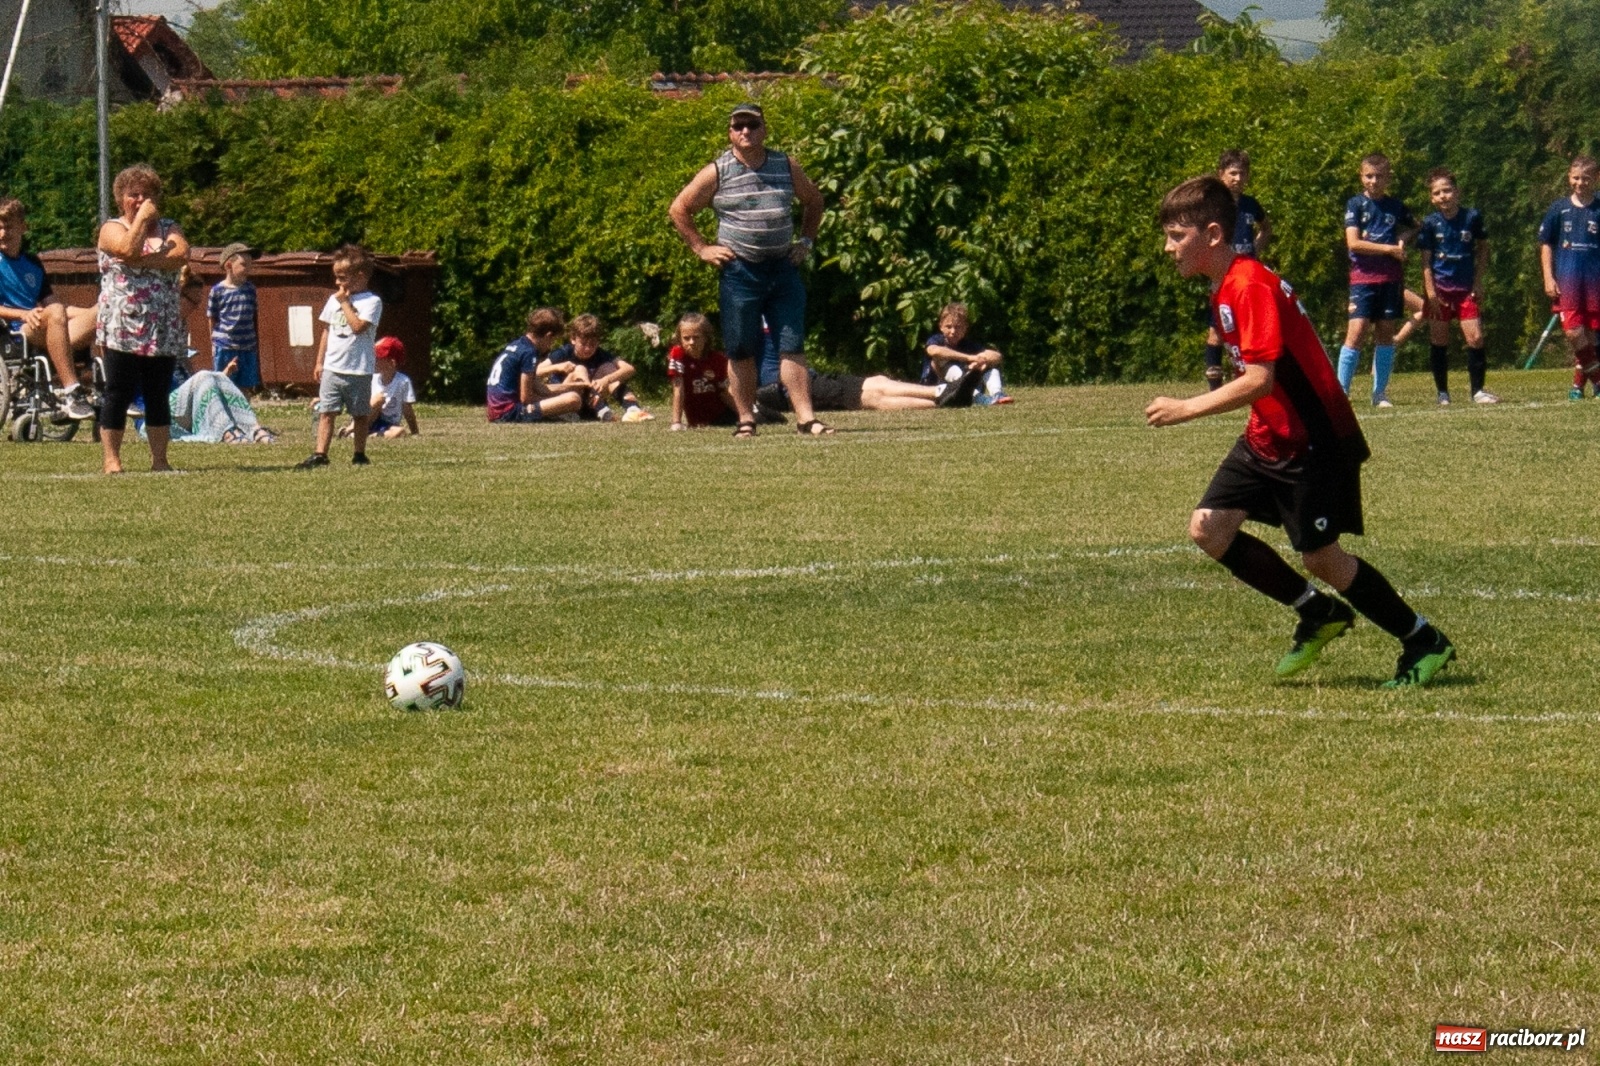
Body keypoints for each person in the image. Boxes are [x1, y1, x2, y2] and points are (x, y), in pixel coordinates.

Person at [1146, 176, 1456, 688]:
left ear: (1214, 234)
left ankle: (1423, 639)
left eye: (1178, 235)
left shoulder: (1248, 285)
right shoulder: (1225, 286)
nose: (1168, 247)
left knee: (1322, 558)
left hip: (1313, 440)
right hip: (1268, 435)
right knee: (1209, 528)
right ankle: (1318, 613)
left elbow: (1259, 379)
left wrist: (1186, 408)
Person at [669, 101, 832, 437]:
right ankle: (746, 419)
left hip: (783, 267)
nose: (746, 131)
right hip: (741, 272)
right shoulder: (718, 170)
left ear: (764, 129)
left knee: (792, 344)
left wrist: (806, 242)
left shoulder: (786, 165)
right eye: (739, 126)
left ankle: (807, 419)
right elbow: (680, 208)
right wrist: (701, 247)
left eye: (752, 125)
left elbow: (814, 201)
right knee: (741, 348)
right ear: (730, 131)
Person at [96, 164, 190, 474]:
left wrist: (140, 259)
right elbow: (123, 247)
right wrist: (142, 222)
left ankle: (160, 460)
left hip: (160, 325)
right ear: (120, 198)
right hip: (121, 325)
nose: (140, 199)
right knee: (118, 392)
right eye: (133, 194)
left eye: (147, 195)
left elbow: (180, 255)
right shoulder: (111, 227)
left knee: (157, 393)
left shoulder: (169, 227)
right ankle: (112, 460)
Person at [0, 198, 97, 420]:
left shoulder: (32, 263)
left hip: (47, 326)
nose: (3, 233)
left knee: (105, 310)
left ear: (24, 227)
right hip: (16, 331)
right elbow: (51, 311)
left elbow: (53, 304)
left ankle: (121, 392)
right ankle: (73, 392)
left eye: (9, 226)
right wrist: (23, 313)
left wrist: (86, 313)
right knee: (54, 313)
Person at [1336, 153, 1417, 406]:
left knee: (1385, 333)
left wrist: (1402, 240)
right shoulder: (1356, 204)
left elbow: (1417, 225)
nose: (1373, 181)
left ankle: (1379, 393)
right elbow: (1354, 242)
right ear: (1361, 177)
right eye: (1369, 176)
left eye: (1379, 176)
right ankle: (1341, 393)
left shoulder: (1395, 206)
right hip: (1363, 279)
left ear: (1388, 178)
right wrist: (1389, 249)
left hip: (1390, 279)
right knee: (1357, 331)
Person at [1416, 168, 1496, 405]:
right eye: (1437, 193)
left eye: (1447, 190)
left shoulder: (1472, 217)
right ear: (1432, 197)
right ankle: (1442, 393)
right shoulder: (1430, 223)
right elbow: (1425, 261)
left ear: (1457, 192)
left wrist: (1479, 281)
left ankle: (1477, 391)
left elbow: (1483, 248)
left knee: (1476, 337)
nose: (1443, 196)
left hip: (1465, 290)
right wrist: (1430, 293)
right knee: (1440, 341)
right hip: (1440, 290)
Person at [299, 244, 381, 468]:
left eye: (342, 278)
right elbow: (327, 331)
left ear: (360, 276)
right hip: (333, 367)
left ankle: (359, 453)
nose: (337, 283)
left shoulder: (372, 302)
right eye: (336, 277)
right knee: (327, 411)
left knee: (360, 414)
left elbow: (357, 327)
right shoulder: (333, 300)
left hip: (358, 369)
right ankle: (320, 454)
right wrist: (319, 362)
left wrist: (345, 303)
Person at [1202, 149, 1272, 390]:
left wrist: (1254, 250)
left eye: (1242, 174)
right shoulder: (1213, 207)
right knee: (1217, 332)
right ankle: (1214, 387)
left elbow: (1266, 228)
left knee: (1247, 330)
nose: (1237, 178)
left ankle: (1244, 381)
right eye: (1232, 173)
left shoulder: (1251, 205)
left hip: (1248, 277)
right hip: (1223, 278)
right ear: (1221, 174)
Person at [1538, 155, 1600, 401]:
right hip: (1568, 281)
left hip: (1594, 281)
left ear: (1596, 179)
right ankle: (1598, 381)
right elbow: (1545, 244)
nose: (1580, 183)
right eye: (1576, 177)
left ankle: (1577, 387)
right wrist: (1548, 277)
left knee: (1590, 334)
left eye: (1586, 178)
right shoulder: (1559, 208)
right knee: (1574, 332)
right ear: (1568, 177)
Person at [544, 314, 653, 422]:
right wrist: (558, 366)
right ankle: (602, 411)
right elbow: (537, 370)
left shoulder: (600, 354)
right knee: (580, 369)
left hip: (590, 403)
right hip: (565, 400)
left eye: (592, 344)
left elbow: (629, 369)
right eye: (583, 343)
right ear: (573, 339)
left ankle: (633, 409)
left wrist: (606, 380)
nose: (588, 348)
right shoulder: (563, 352)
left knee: (608, 368)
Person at [485, 307, 587, 423]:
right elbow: (526, 398)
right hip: (509, 412)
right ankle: (556, 414)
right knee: (574, 399)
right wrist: (556, 405)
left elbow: (540, 388)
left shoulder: (518, 345)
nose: (551, 346)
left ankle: (557, 412)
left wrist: (575, 386)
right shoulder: (529, 353)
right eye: (552, 341)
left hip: (496, 412)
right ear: (548, 335)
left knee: (572, 395)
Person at [924, 303, 1011, 404]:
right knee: (939, 360)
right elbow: (934, 351)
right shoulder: (937, 340)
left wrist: (979, 359)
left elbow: (997, 356)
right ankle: (980, 398)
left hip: (967, 388)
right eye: (948, 327)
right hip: (938, 388)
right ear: (941, 327)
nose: (953, 331)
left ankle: (997, 394)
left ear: (965, 328)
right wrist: (969, 358)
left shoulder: (968, 345)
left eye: (958, 327)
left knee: (988, 364)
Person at [207, 241, 261, 394]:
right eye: (244, 264)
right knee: (223, 385)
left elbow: (253, 317)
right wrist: (213, 343)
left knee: (245, 388)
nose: (248, 269)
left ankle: (243, 416)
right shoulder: (217, 291)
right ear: (229, 265)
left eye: (250, 265)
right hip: (225, 346)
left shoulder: (250, 290)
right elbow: (212, 318)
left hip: (247, 346)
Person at [667, 313, 737, 429]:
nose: (691, 342)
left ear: (706, 338)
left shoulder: (718, 359)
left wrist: (744, 413)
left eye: (696, 337)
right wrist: (676, 422)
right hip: (700, 419)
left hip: (723, 413)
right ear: (680, 338)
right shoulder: (678, 356)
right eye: (686, 338)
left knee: (763, 414)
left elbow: (724, 392)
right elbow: (678, 389)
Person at [341, 336, 417, 439]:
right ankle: (351, 428)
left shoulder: (403, 382)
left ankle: (368, 435)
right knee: (379, 399)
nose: (374, 360)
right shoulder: (373, 378)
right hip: (368, 418)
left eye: (378, 358)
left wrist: (415, 431)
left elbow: (407, 409)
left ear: (392, 362)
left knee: (401, 432)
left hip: (386, 425)